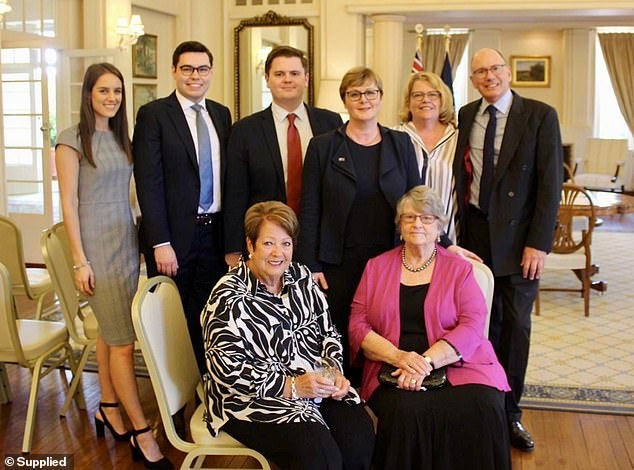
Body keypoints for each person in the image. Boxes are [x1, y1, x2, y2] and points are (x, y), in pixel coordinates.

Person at [56, 63, 172, 469]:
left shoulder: (123, 137)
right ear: (88, 93)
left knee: (111, 330)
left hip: (124, 238)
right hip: (95, 246)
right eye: (104, 91)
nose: (111, 98)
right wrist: (78, 260)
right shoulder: (71, 140)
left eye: (118, 92)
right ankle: (142, 431)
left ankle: (108, 404)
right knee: (123, 342)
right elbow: (68, 203)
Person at [201, 201, 374, 470]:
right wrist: (292, 387)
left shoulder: (302, 277)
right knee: (319, 457)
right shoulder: (227, 297)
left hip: (314, 382)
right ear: (250, 245)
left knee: (359, 439)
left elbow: (328, 333)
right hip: (251, 397)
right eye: (268, 243)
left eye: (286, 243)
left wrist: (333, 374)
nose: (278, 253)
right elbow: (226, 370)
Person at [349, 185, 511, 470]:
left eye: (426, 218)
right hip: (393, 366)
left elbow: (473, 323)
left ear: (439, 226)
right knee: (405, 411)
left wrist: (425, 362)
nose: (417, 224)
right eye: (409, 218)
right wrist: (401, 358)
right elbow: (357, 325)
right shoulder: (376, 267)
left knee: (485, 404)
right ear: (400, 226)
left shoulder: (459, 269)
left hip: (457, 362)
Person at [453, 48, 563, 450]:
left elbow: (550, 186)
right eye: (480, 71)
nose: (489, 76)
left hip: (520, 243)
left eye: (495, 68)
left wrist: (539, 243)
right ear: (474, 79)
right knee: (482, 324)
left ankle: (510, 414)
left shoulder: (539, 115)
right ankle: (484, 407)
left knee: (516, 328)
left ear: (508, 71)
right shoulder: (466, 115)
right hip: (476, 236)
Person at [297, 67, 420, 376]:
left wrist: (442, 246)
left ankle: (379, 392)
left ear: (380, 97)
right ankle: (344, 396)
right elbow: (310, 207)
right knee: (340, 330)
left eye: (370, 93)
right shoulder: (323, 146)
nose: (363, 99)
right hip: (339, 260)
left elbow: (418, 201)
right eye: (355, 93)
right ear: (345, 100)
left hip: (391, 257)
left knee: (385, 326)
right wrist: (310, 264)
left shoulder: (401, 144)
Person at [133, 41, 231, 373]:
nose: (195, 76)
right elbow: (149, 182)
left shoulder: (221, 114)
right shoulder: (154, 115)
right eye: (187, 68)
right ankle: (173, 397)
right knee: (171, 320)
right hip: (172, 240)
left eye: (202, 69)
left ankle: (206, 388)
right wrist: (161, 242)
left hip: (213, 234)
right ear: (174, 71)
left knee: (209, 316)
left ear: (211, 72)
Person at [223, 45, 342, 267]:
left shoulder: (331, 123)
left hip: (319, 241)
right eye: (279, 74)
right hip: (266, 243)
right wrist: (233, 249)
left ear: (306, 78)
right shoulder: (245, 130)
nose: (287, 80)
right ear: (267, 79)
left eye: (294, 73)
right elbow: (235, 193)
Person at [396, 71, 460, 242]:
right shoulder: (394, 137)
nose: (426, 100)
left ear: (442, 100)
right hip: (406, 235)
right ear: (408, 102)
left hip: (451, 234)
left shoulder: (458, 138)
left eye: (433, 94)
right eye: (418, 95)